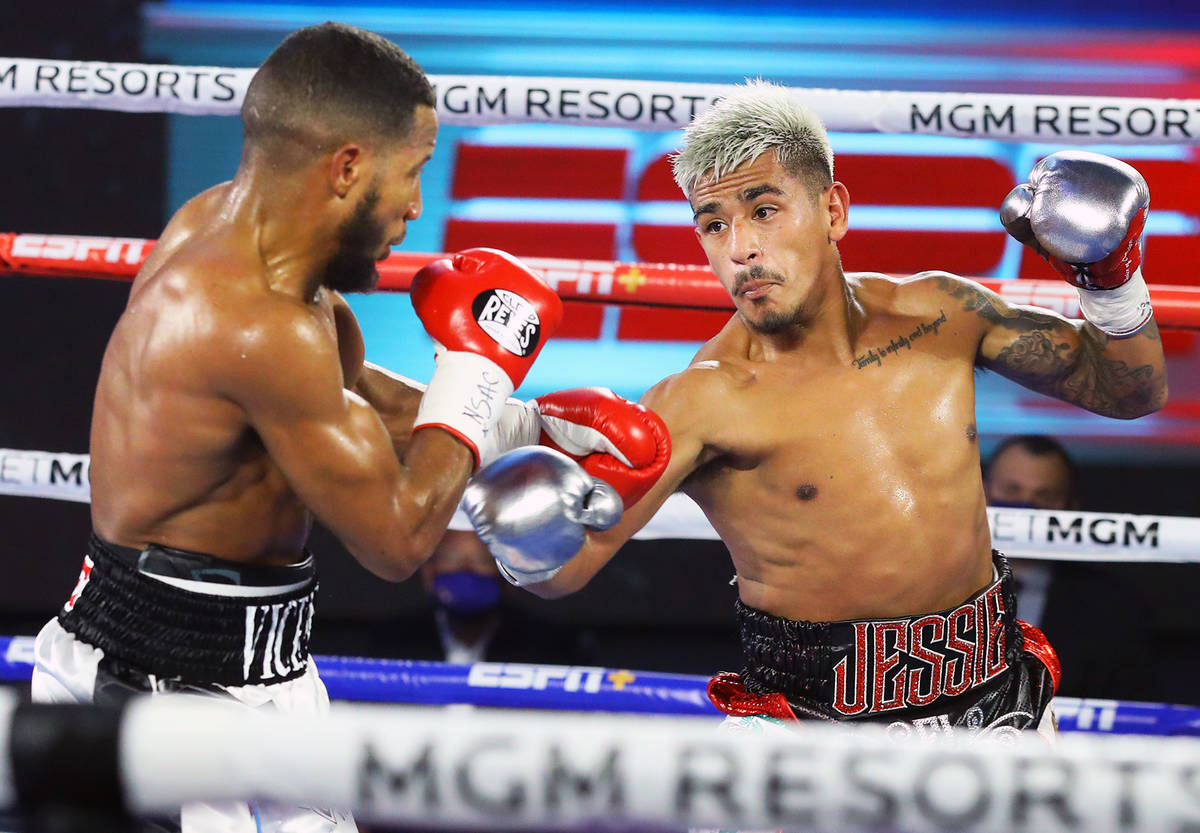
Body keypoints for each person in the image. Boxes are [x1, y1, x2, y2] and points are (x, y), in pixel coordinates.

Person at [28, 22, 668, 833]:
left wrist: (529, 426)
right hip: (153, 692)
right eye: (414, 173)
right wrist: (474, 371)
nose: (415, 208)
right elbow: (398, 539)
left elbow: (352, 396)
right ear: (348, 168)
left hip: (264, 673)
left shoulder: (252, 256)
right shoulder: (252, 323)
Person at [465, 80, 1168, 739]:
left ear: (833, 210)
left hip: (996, 703)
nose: (741, 248)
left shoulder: (942, 313)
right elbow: (566, 569)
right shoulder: (707, 397)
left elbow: (1129, 391)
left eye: (764, 210)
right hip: (815, 734)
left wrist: (1111, 280)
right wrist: (523, 527)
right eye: (713, 224)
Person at [983, 435, 1165, 702]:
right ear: (983, 495)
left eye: (1045, 495)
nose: (1026, 504)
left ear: (1071, 507)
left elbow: (1130, 704)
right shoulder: (937, 586)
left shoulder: (1111, 606)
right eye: (1012, 490)